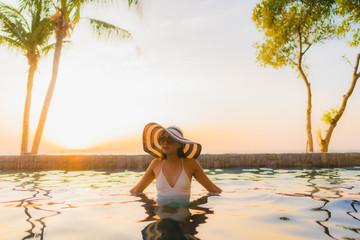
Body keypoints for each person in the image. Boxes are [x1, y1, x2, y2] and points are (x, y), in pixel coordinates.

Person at [130, 122, 222, 195]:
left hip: (184, 218)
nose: (165, 143)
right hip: (161, 217)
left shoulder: (190, 164)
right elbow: (136, 190)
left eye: (170, 140)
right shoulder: (156, 164)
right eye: (162, 139)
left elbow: (214, 190)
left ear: (179, 144)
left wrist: (197, 205)